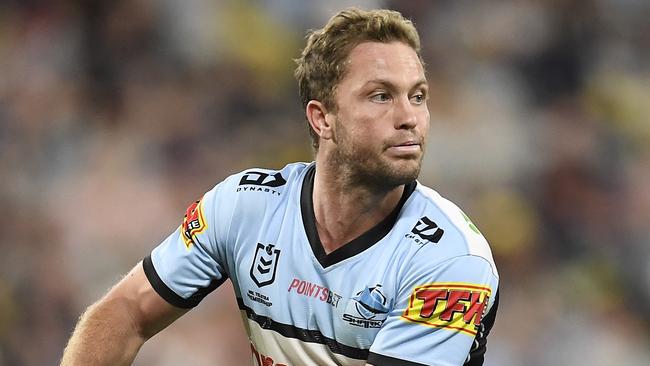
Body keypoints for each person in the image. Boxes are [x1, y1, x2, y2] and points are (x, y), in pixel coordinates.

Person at [61, 8, 499, 366]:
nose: (410, 118)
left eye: (418, 96)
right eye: (381, 96)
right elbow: (125, 313)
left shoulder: (452, 260)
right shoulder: (244, 207)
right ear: (322, 118)